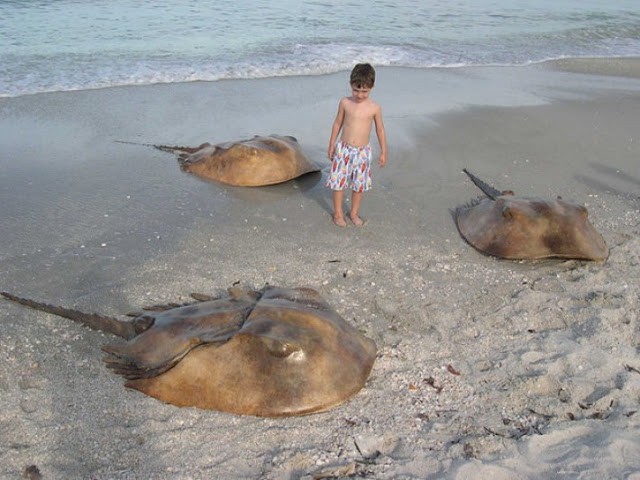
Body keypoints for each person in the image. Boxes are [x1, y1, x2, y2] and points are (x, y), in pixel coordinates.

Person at [326, 63, 387, 227]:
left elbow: (380, 130)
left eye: (364, 91)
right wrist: (332, 144)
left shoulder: (374, 108)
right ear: (350, 85)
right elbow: (337, 124)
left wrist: (383, 152)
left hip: (362, 152)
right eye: (356, 90)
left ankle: (353, 213)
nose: (360, 95)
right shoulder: (345, 103)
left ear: (372, 87)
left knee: (358, 186)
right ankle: (338, 213)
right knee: (338, 183)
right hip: (343, 150)